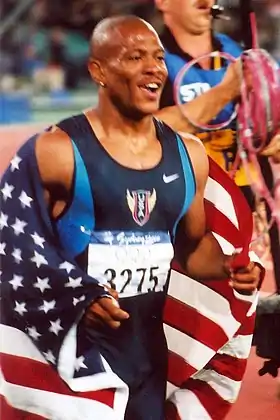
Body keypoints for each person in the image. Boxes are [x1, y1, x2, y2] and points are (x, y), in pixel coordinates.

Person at [0, 16, 262, 419]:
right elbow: (13, 247)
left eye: (157, 57)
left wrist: (232, 266)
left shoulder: (188, 155)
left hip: (146, 357)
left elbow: (192, 249)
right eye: (134, 56)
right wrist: (75, 294)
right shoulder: (56, 152)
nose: (153, 67)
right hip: (75, 361)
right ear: (98, 71)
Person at [154, 0, 280, 294]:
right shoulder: (151, 58)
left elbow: (270, 119)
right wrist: (225, 92)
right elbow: (146, 128)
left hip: (253, 209)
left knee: (266, 319)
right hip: (191, 215)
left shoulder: (240, 53)